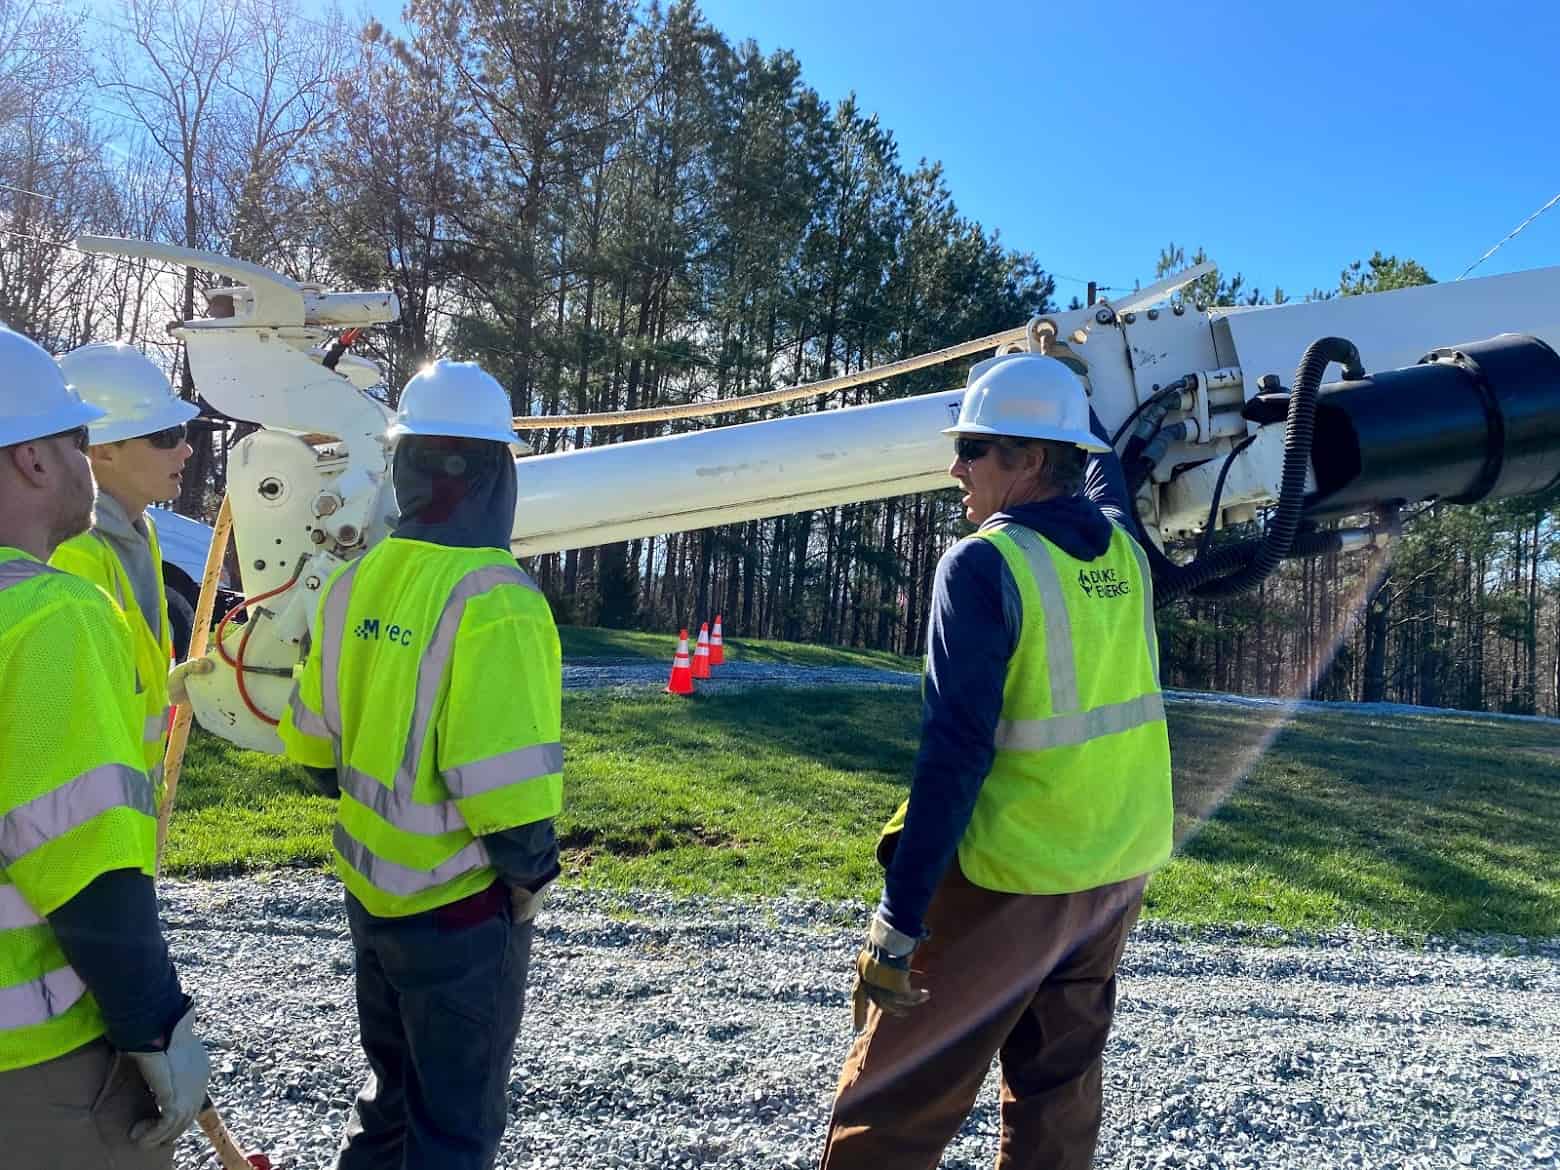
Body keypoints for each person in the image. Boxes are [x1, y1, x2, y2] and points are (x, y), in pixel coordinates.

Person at [819, 352, 1173, 1170]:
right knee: (1059, 1094)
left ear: (1032, 459)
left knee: (898, 1101)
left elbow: (954, 752)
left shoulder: (983, 563)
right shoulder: (1122, 551)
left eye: (975, 447)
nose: (956, 467)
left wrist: (899, 920)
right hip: (1112, 870)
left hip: (1008, 876)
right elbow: (1109, 484)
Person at [278, 358, 563, 1170]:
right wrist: (529, 882)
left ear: (404, 466)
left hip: (372, 898)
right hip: (459, 910)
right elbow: (509, 802)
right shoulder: (496, 598)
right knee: (455, 1127)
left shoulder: (353, 581)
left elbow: (312, 751)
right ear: (494, 471)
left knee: (392, 1102)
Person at [0, 327, 210, 1168]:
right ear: (35, 461)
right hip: (34, 1064)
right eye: (78, 439)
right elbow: (81, 863)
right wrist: (156, 1024)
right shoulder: (49, 615)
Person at [48, 341, 200, 800]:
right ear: (101, 451)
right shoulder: (70, 555)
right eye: (165, 436)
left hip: (127, 807)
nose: (186, 450)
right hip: (81, 832)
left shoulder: (141, 530)